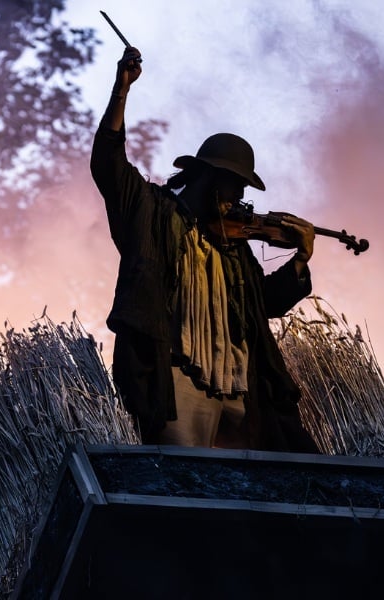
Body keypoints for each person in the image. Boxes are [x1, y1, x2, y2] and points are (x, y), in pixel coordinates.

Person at [91, 46, 320, 453]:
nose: (240, 199)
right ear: (211, 178)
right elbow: (109, 164)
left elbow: (262, 303)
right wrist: (121, 90)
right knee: (185, 483)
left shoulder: (234, 249)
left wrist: (300, 259)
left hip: (239, 387)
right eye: (236, 186)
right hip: (178, 383)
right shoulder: (153, 213)